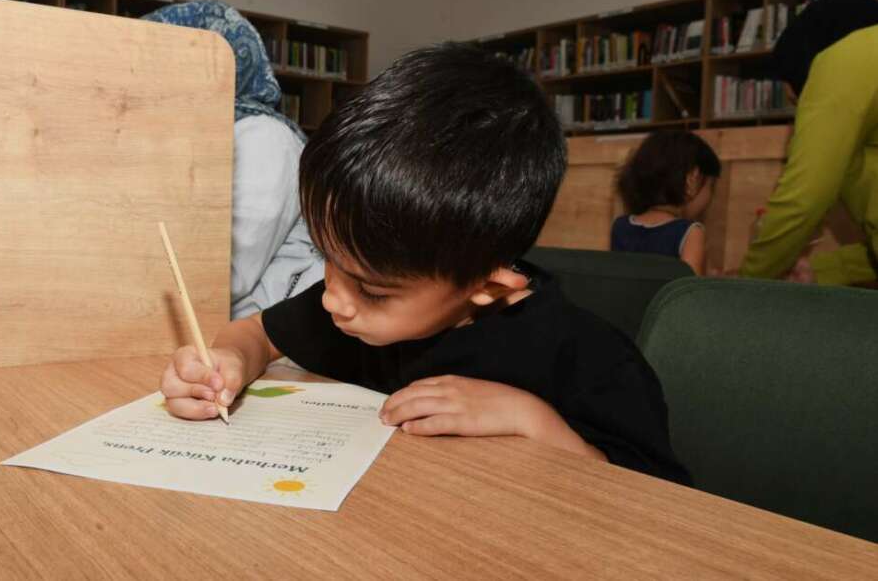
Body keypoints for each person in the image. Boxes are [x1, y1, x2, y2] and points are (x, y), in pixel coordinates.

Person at [159, 43, 691, 485]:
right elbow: (257, 332)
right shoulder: (352, 304)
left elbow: (663, 506)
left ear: (486, 288)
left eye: (372, 290)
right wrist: (227, 362)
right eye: (329, 260)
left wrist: (535, 422)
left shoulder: (591, 360)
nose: (332, 299)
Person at [145, 0, 323, 317]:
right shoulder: (191, 141)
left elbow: (226, 274)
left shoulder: (265, 138)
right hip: (225, 331)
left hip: (273, 340)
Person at [740, 0, 878, 285]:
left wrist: (745, 285)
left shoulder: (841, 59)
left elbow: (803, 199)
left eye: (800, 100)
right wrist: (825, 270)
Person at [611, 131, 721, 274]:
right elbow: (690, 293)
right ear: (692, 180)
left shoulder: (620, 226)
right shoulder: (691, 233)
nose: (711, 197)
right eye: (711, 187)